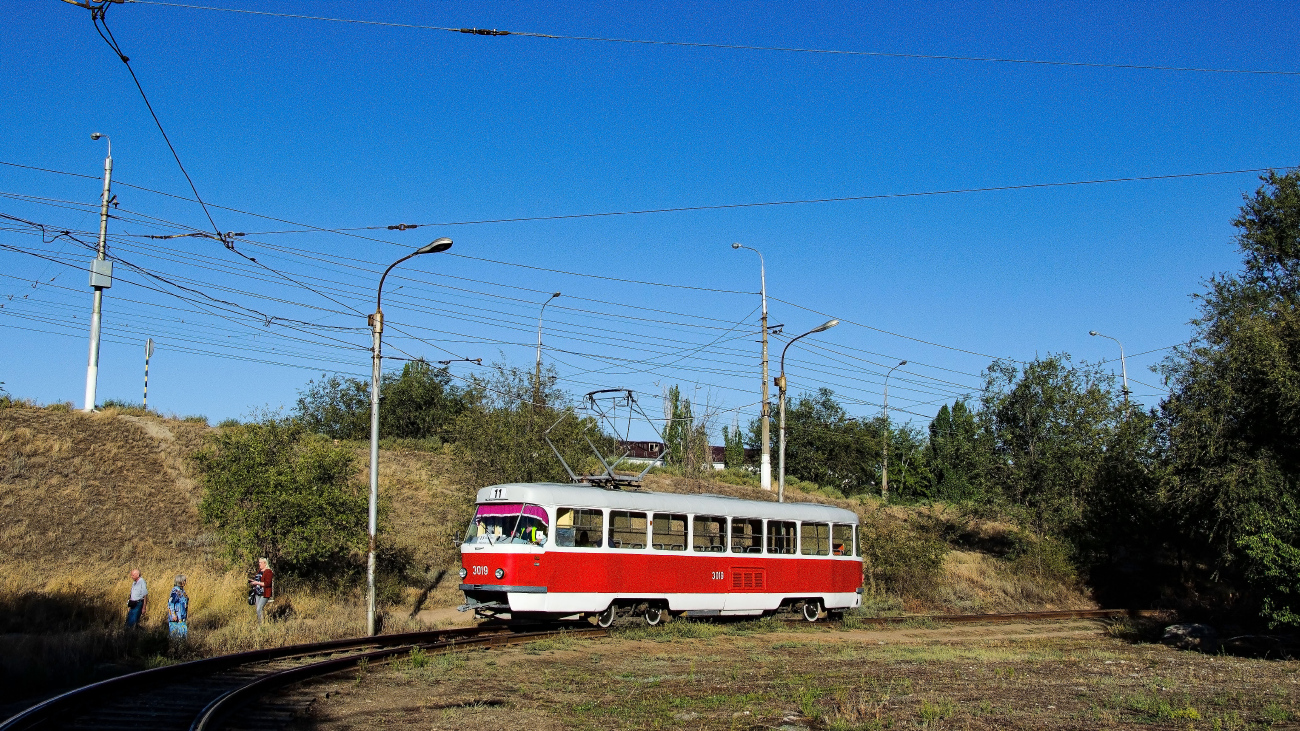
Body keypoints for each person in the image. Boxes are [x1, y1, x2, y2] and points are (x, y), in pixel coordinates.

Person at [249, 557, 274, 624]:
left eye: (260, 562)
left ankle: (261, 625)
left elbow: (267, 583)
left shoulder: (268, 572)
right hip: (258, 592)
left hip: (264, 593)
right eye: (259, 562)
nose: (259, 564)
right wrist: (253, 582)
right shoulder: (259, 571)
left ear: (265, 563)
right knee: (258, 609)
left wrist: (257, 583)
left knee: (259, 608)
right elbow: (258, 580)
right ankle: (261, 622)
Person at [167, 575, 189, 639]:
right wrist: (173, 615)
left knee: (182, 634)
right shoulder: (175, 591)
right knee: (175, 634)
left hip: (182, 616)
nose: (185, 582)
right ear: (180, 581)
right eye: (184, 580)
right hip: (176, 617)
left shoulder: (182, 590)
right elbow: (171, 603)